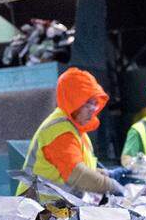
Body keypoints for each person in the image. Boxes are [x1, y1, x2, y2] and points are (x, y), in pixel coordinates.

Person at [17, 67, 125, 198]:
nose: (93, 109)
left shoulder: (76, 129)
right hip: (37, 211)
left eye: (94, 103)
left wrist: (106, 174)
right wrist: (110, 185)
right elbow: (78, 175)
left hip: (53, 210)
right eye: (88, 103)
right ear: (73, 101)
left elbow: (78, 169)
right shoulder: (59, 131)